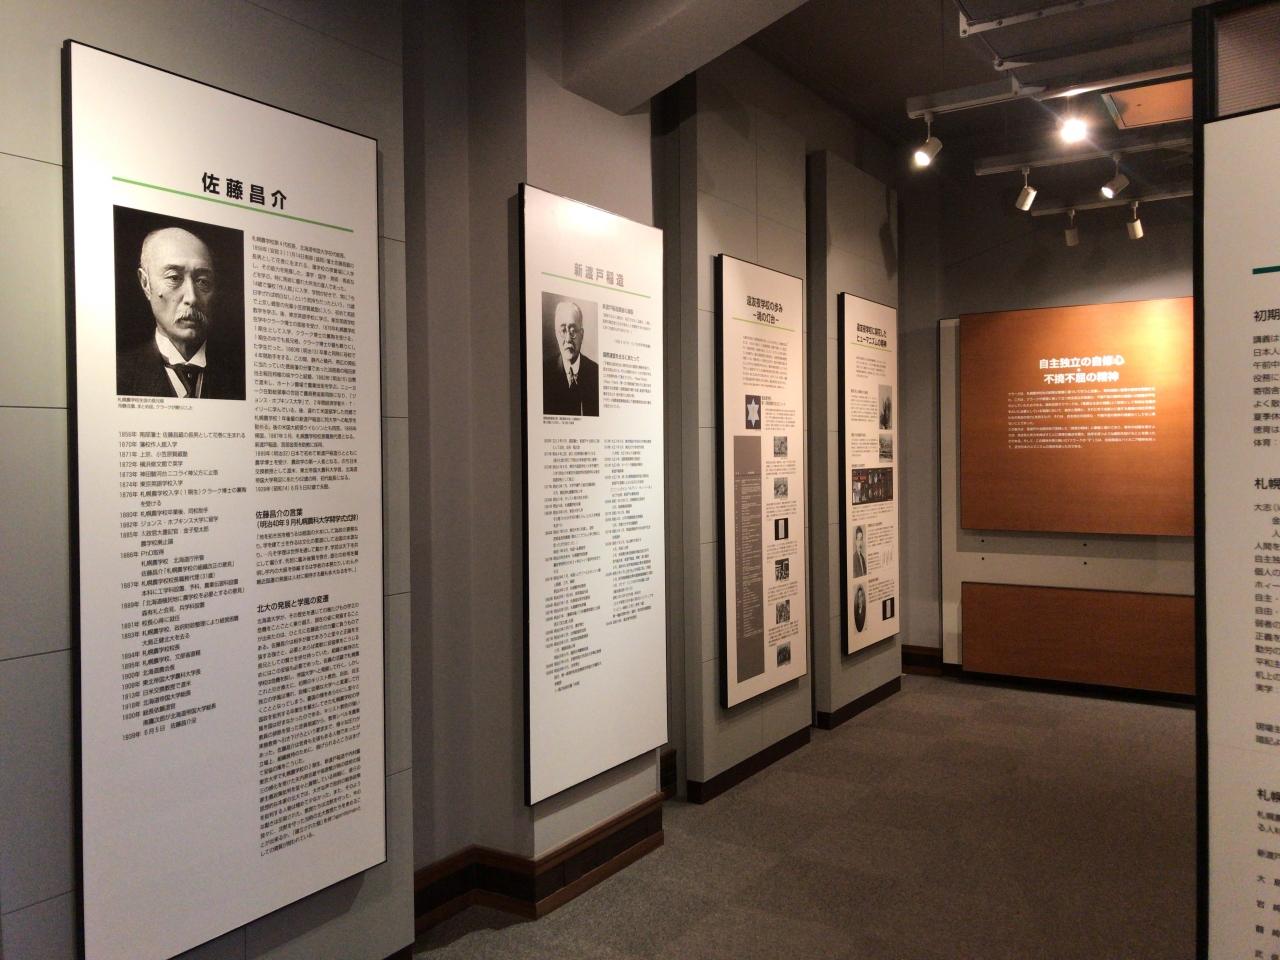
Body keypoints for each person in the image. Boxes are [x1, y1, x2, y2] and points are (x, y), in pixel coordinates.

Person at [117, 226, 243, 399]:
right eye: (174, 278)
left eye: (202, 281)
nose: (191, 298)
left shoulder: (241, 376)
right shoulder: (117, 374)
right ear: (145, 283)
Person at [543, 299, 599, 416]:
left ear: (581, 334)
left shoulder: (596, 373)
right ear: (556, 334)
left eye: (573, 331)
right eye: (563, 331)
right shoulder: (544, 373)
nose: (568, 339)